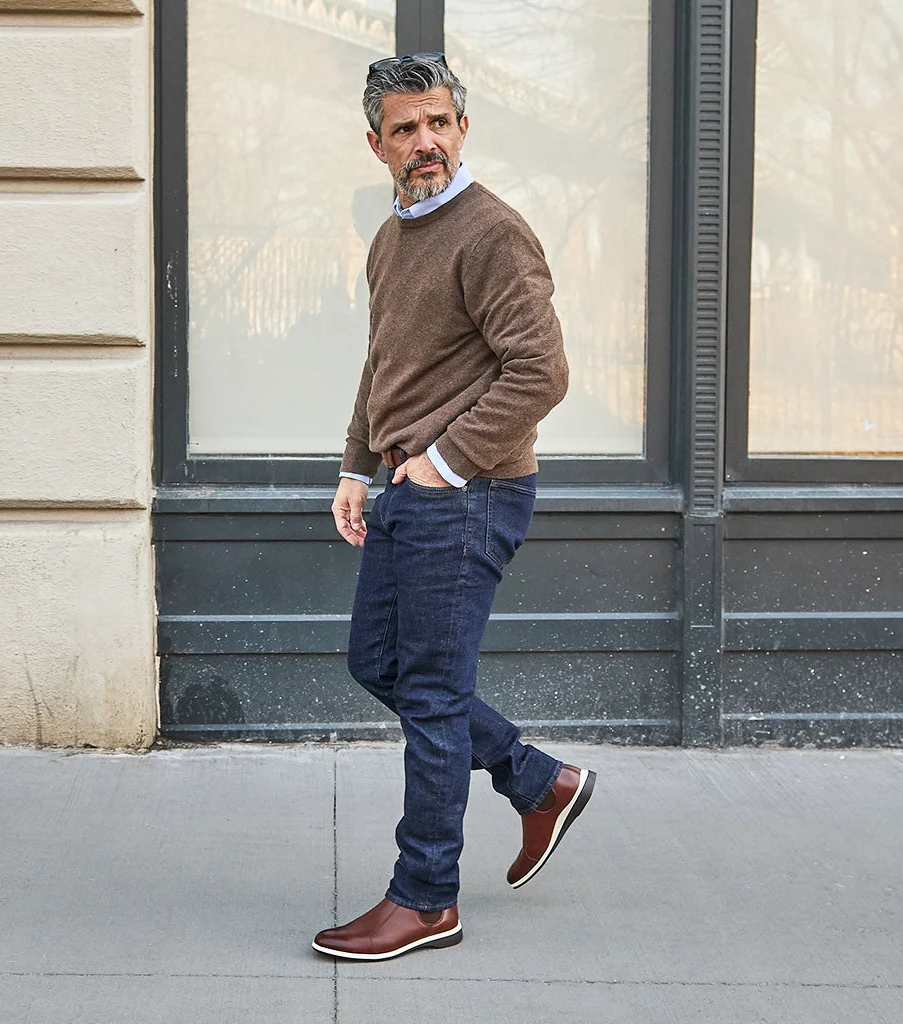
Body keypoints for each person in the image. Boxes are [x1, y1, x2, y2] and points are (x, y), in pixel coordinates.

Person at [312, 53, 596, 962]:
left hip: (467, 494)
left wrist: (441, 461)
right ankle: (537, 780)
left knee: (431, 694)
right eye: (405, 129)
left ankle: (426, 896)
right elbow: (383, 367)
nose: (424, 142)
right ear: (377, 144)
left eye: (439, 123)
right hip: (405, 488)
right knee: (378, 662)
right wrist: (359, 466)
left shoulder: (492, 233)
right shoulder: (392, 238)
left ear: (462, 129)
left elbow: (541, 372)